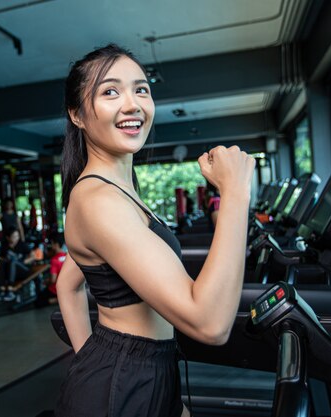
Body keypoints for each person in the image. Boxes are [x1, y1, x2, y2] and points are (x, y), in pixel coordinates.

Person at [55, 44, 254, 417]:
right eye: (110, 91)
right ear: (77, 115)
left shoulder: (118, 191)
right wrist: (235, 193)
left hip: (141, 370)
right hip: (126, 381)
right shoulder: (98, 200)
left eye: (141, 89)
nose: (132, 104)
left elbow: (68, 284)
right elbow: (209, 324)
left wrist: (89, 361)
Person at [0, 228, 35, 302]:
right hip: (11, 271)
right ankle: (3, 289)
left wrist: (25, 261)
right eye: (14, 236)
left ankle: (10, 290)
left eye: (17, 236)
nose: (17, 238)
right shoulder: (5, 246)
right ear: (8, 237)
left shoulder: (22, 245)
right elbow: (1, 258)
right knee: (0, 263)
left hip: (23, 269)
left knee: (13, 262)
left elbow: (33, 256)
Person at [35, 233, 66, 307]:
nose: (51, 246)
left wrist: (46, 282)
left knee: (38, 302)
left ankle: (56, 300)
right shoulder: (67, 256)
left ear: (56, 244)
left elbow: (52, 280)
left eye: (52, 243)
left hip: (56, 290)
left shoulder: (54, 260)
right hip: (66, 288)